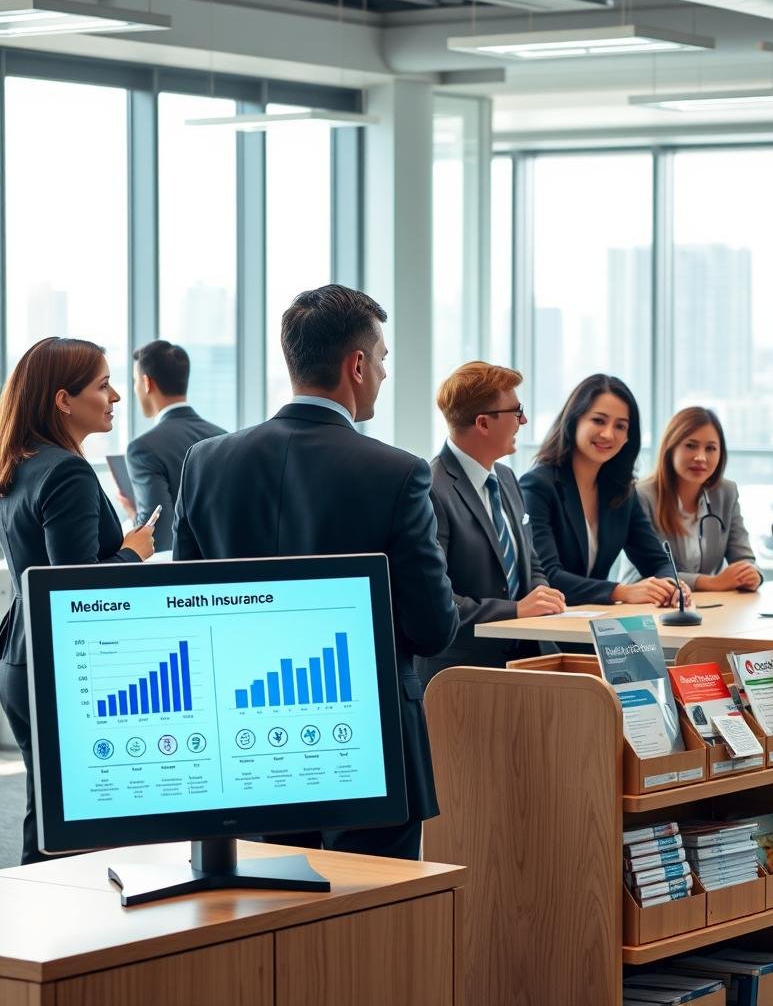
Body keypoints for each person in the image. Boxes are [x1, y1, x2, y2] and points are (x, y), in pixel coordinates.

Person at [173, 284, 459, 861]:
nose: (382, 373)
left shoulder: (206, 463)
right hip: (368, 739)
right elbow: (432, 628)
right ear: (356, 364)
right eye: (380, 360)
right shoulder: (397, 472)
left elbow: (189, 604)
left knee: (269, 916)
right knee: (374, 917)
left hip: (247, 736)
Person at [0, 338, 155, 863]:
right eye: (102, 385)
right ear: (63, 400)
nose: (114, 396)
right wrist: (133, 553)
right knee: (69, 817)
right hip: (62, 662)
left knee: (49, 811)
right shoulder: (66, 471)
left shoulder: (22, 463)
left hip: (24, 655)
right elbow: (74, 590)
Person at [418, 362, 565, 684]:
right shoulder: (430, 489)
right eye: (516, 411)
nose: (522, 421)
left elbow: (530, 558)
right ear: (483, 423)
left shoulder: (508, 478)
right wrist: (514, 610)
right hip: (462, 676)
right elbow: (435, 599)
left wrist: (541, 592)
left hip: (526, 662)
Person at [520, 374, 690, 608]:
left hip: (596, 625)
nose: (608, 434)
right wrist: (621, 591)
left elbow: (658, 561)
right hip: (545, 631)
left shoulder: (622, 493)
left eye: (620, 426)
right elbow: (547, 576)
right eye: (599, 421)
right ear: (574, 420)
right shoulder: (538, 485)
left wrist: (671, 585)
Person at [621, 407, 761, 592]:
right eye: (691, 446)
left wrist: (751, 575)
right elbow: (644, 575)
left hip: (707, 607)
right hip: (649, 608)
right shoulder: (641, 496)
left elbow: (744, 557)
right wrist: (711, 582)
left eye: (710, 448)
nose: (701, 457)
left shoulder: (726, 493)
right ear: (670, 448)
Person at [118, 340, 226, 552]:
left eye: (135, 381)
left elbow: (159, 535)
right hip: (223, 564)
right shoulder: (223, 437)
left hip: (177, 573)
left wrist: (135, 517)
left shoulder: (142, 449)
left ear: (147, 383)